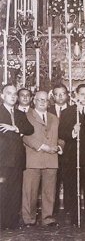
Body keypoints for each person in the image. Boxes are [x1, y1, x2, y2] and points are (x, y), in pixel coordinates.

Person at [59, 84, 85, 226]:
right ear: (76, 94)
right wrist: (73, 132)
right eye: (82, 94)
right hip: (73, 157)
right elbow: (61, 133)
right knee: (73, 188)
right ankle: (74, 217)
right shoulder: (68, 112)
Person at [22, 90, 61, 227]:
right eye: (40, 99)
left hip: (51, 159)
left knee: (49, 191)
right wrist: (42, 147)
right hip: (33, 159)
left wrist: (59, 147)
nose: (43, 102)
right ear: (34, 100)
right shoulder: (26, 116)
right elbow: (25, 136)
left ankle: (47, 218)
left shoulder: (54, 118)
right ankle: (29, 219)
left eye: (45, 100)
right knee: (30, 192)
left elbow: (60, 137)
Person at [0, 84, 34, 230]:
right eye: (9, 93)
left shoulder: (20, 114)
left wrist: (16, 128)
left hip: (17, 160)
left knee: (15, 191)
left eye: (15, 94)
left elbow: (29, 129)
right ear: (2, 96)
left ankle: (12, 222)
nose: (13, 96)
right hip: (2, 159)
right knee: (2, 191)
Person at [48, 84, 68, 213]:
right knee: (52, 181)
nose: (60, 97)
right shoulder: (48, 110)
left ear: (67, 95)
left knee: (68, 179)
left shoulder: (74, 110)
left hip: (68, 152)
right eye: (57, 94)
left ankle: (69, 207)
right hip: (51, 151)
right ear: (53, 96)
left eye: (63, 93)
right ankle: (52, 209)